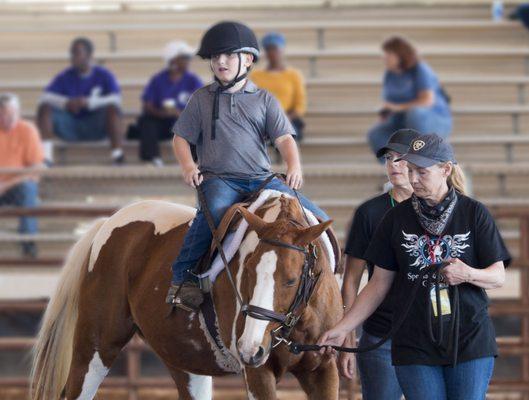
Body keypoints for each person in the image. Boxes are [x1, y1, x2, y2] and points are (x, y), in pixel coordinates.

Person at [318, 134, 510, 400]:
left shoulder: (474, 213)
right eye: (410, 171)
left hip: (468, 337)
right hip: (413, 339)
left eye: (422, 172)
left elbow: (497, 275)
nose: (413, 179)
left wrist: (468, 274)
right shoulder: (395, 219)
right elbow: (378, 285)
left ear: (445, 170)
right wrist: (342, 328)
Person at [165, 21, 329, 311]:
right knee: (211, 215)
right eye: (215, 57)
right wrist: (189, 166)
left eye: (229, 55)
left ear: (249, 60)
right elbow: (181, 139)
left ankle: (325, 274)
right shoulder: (201, 99)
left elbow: (285, 139)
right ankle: (183, 278)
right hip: (220, 179)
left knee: (315, 216)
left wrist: (294, 166)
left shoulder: (264, 99)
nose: (220, 62)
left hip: (261, 179)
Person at [340, 129, 418, 400]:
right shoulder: (370, 213)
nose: (393, 165)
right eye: (389, 158)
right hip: (382, 334)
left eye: (401, 158)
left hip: (431, 333)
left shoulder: (439, 209)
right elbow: (351, 279)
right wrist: (349, 336)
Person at [37, 37, 125, 164]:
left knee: (113, 109)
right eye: (71, 53)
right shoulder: (64, 76)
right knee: (44, 108)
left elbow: (116, 99)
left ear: (89, 55)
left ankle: (117, 156)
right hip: (71, 125)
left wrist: (90, 103)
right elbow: (44, 97)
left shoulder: (104, 75)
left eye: (76, 53)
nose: (72, 57)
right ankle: (46, 158)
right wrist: (66, 102)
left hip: (96, 125)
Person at [367, 36, 452, 160]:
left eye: (388, 54)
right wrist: (385, 112)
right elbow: (389, 103)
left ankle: (422, 155)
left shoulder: (420, 70)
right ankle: (393, 164)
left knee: (415, 112)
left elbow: (427, 100)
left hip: (431, 119)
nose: (384, 57)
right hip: (402, 120)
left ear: (400, 55)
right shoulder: (389, 74)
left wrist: (397, 107)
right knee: (376, 134)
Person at [133, 41, 203, 166]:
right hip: (163, 123)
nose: (189, 61)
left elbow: (202, 106)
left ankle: (192, 159)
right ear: (173, 60)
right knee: (146, 121)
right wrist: (162, 113)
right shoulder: (158, 79)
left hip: (183, 124)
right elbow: (147, 105)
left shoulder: (193, 80)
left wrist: (180, 113)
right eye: (185, 58)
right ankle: (153, 158)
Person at [0, 93, 45, 258]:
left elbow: (37, 167)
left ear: (18, 113)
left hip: (15, 187)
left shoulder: (27, 130)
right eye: (5, 114)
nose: (10, 118)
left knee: (28, 188)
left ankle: (28, 242)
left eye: (13, 114)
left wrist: (5, 185)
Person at [251, 32, 307, 141]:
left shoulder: (293, 75)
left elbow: (300, 105)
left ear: (282, 50)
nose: (272, 53)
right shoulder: (256, 76)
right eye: (269, 49)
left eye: (275, 48)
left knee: (285, 135)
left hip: (287, 118)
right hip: (263, 119)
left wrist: (286, 118)